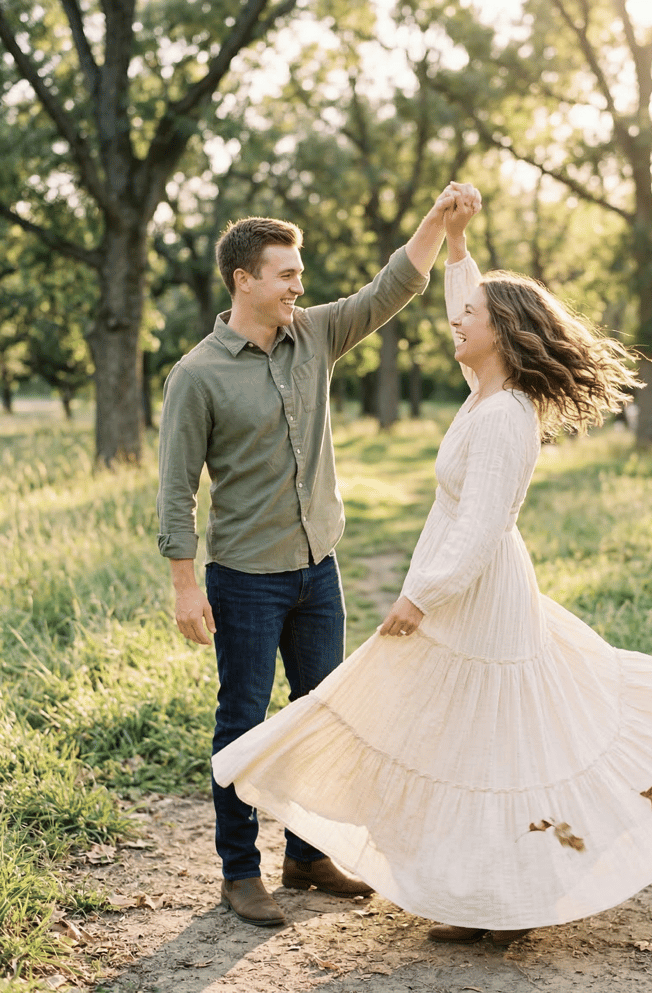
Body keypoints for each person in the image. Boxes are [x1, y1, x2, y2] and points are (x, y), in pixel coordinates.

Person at [211, 188, 652, 945]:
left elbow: (482, 525)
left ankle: (504, 897)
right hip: (469, 592)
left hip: (475, 593)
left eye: (470, 318)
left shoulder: (502, 416)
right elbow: (469, 309)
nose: (456, 323)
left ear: (500, 335)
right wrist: (457, 247)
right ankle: (480, 892)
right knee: (473, 736)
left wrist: (418, 597)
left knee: (492, 739)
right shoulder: (489, 391)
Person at [157, 183, 469, 928]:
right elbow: (176, 490)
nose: (301, 283)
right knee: (241, 720)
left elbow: (391, 287)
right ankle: (240, 871)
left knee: (321, 714)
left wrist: (433, 222)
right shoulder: (197, 374)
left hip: (316, 567)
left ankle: (305, 854)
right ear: (244, 280)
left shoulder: (317, 335)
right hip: (244, 579)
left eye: (300, 272)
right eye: (287, 272)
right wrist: (183, 587)